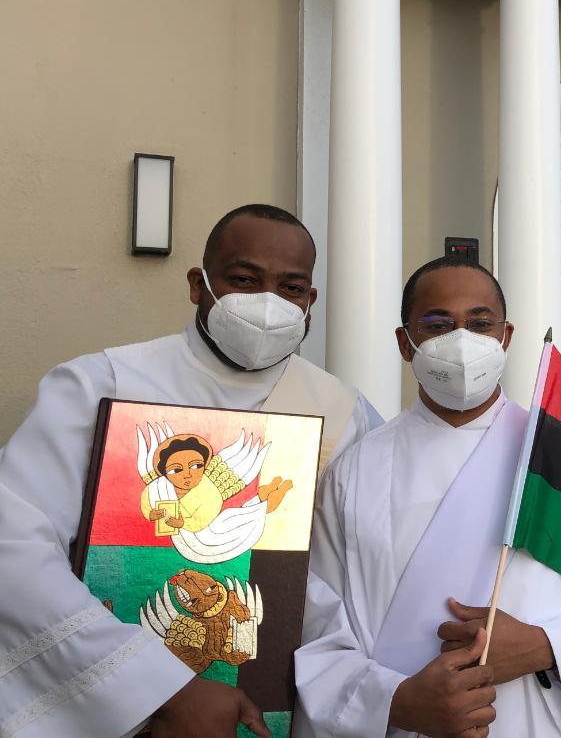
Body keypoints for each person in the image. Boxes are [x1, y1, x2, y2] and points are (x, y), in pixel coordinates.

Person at [0, 204, 381, 738]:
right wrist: (154, 686)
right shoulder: (100, 385)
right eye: (244, 280)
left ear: (310, 301)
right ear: (199, 284)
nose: (267, 303)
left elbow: (345, 582)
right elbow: (13, 546)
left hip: (273, 709)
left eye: (290, 287)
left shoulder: (344, 411)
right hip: (117, 709)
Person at [295, 257, 561, 738]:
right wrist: (397, 701)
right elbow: (318, 628)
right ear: (405, 344)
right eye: (438, 324)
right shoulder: (353, 471)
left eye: (480, 323)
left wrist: (544, 644)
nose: (461, 339)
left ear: (505, 337)